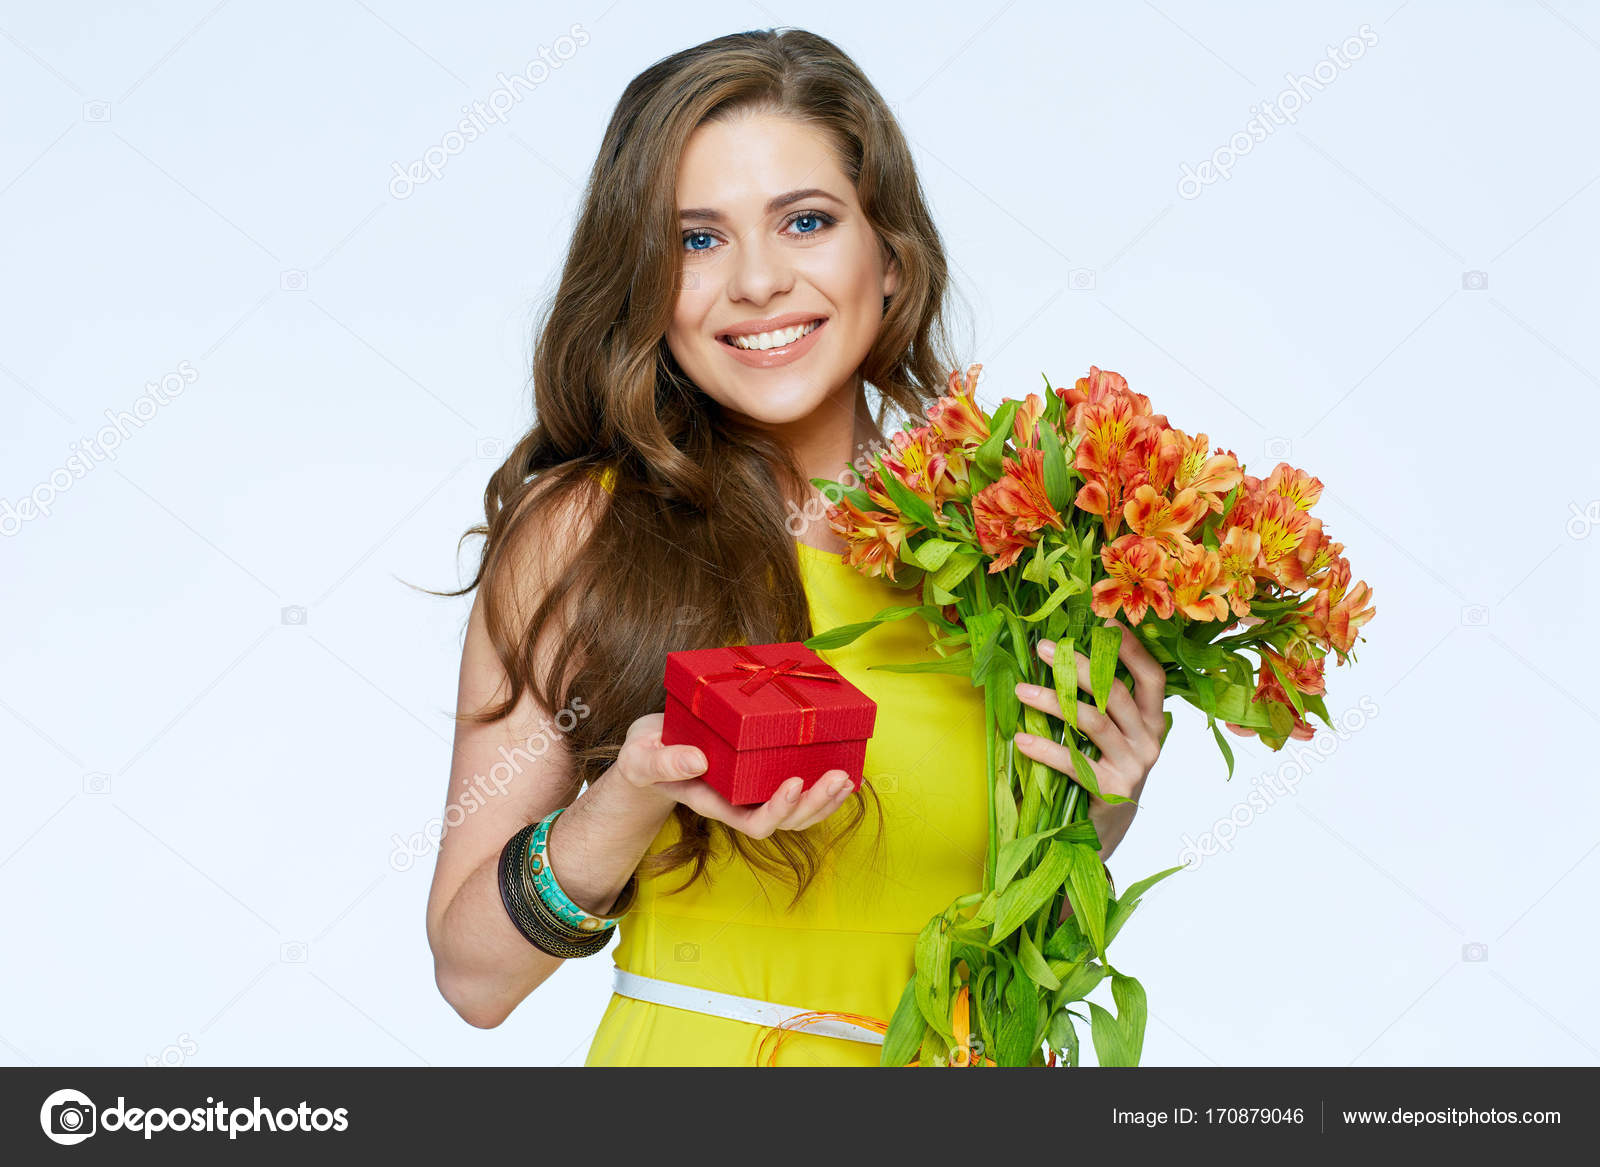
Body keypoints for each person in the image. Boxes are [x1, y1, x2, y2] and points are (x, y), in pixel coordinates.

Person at [423, 27, 1170, 1067]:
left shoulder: (1012, 547)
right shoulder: (585, 532)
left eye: (805, 222)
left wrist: (1095, 816)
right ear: (642, 282)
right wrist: (633, 791)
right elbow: (472, 977)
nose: (757, 282)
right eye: (697, 240)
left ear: (889, 255)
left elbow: (998, 937)